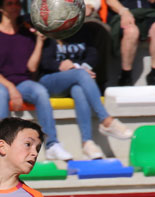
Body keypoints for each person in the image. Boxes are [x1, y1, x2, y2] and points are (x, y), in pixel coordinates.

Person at [0, 0, 74, 161]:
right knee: (1, 92)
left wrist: (39, 41)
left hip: (22, 82)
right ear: (1, 8)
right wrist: (10, 87)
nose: (14, 7)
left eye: (17, 4)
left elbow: (31, 67)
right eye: (10, 3)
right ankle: (2, 149)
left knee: (40, 91)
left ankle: (52, 144)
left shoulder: (26, 35)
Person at [38, 27, 133, 160]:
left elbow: (93, 55)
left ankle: (87, 143)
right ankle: (106, 120)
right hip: (50, 80)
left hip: (76, 77)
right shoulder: (50, 31)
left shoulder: (84, 32)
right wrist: (62, 66)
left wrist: (76, 67)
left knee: (79, 90)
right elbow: (44, 62)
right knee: (81, 75)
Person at [105, 0, 155, 86]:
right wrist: (124, 12)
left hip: (149, 13)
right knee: (131, 31)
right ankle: (126, 75)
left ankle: (154, 73)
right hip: (123, 12)